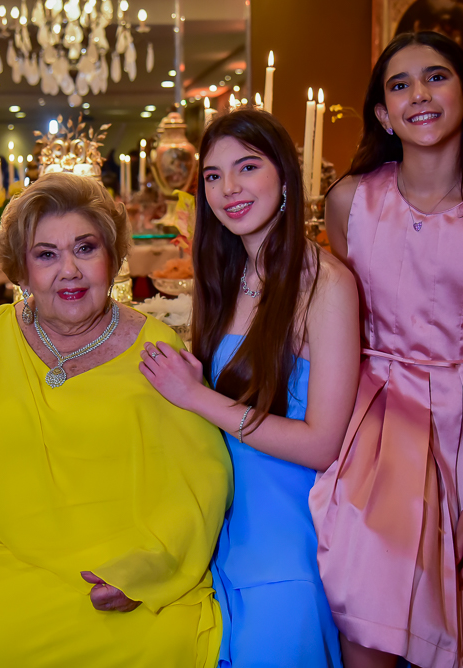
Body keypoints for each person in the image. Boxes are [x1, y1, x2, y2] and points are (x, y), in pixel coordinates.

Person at [0, 171, 233, 667]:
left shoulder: (155, 349)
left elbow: (201, 481)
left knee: (165, 648)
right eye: (46, 254)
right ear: (21, 269)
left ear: (112, 258)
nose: (69, 271)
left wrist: (145, 572)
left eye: (85, 248)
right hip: (16, 567)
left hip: (134, 570)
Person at [308, 31, 463, 668]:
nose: (418, 93)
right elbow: (341, 322)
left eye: (435, 77)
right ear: (383, 114)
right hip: (378, 423)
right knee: (366, 599)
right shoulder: (350, 201)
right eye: (399, 85)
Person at [139, 108, 360, 667]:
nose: (228, 189)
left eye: (247, 167)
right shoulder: (226, 272)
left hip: (287, 521)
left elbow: (322, 444)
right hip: (218, 510)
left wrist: (196, 396)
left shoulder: (327, 284)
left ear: (285, 175)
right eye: (213, 176)